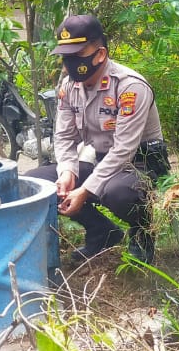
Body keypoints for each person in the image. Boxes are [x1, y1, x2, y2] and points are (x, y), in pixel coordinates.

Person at [26, 14, 169, 263]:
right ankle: (102, 231)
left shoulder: (130, 87)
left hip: (140, 164)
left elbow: (124, 149)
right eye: (65, 56)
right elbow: (63, 137)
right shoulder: (70, 88)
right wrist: (67, 172)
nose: (69, 63)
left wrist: (86, 189)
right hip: (100, 160)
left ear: (100, 54)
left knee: (118, 192)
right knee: (36, 183)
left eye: (77, 55)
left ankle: (142, 232)